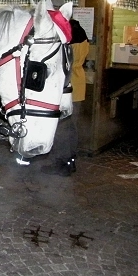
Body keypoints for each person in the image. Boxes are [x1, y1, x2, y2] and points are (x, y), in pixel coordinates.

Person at [41, 18, 89, 176]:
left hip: (65, 86)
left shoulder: (67, 41)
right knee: (71, 127)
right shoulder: (83, 36)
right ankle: (70, 159)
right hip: (79, 84)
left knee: (61, 127)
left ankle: (61, 163)